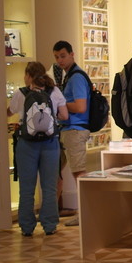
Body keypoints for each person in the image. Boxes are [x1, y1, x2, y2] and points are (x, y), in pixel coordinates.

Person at [6, 62, 69, 236]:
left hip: (26, 145)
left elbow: (9, 112)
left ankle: (27, 227)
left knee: (27, 188)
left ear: (28, 76)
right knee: (49, 187)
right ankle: (49, 225)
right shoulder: (54, 91)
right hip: (50, 143)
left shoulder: (20, 93)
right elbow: (64, 115)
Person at [53, 41, 90, 182]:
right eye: (56, 57)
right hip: (68, 128)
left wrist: (60, 104)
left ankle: (85, 197)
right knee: (57, 172)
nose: (59, 60)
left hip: (75, 129)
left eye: (63, 56)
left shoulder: (76, 77)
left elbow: (81, 107)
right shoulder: (69, 76)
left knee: (78, 173)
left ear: (71, 54)